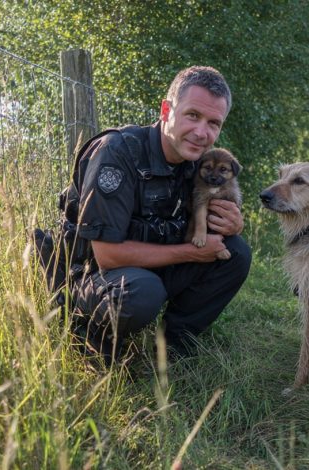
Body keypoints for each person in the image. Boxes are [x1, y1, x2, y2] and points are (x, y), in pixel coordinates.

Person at [67, 66, 251, 364]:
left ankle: (171, 349)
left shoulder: (198, 164)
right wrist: (191, 253)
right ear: (166, 110)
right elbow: (107, 256)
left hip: (155, 265)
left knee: (236, 253)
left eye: (213, 123)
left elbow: (211, 210)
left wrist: (234, 223)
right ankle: (90, 340)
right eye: (192, 115)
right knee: (142, 292)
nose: (201, 132)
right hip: (96, 275)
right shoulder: (117, 153)